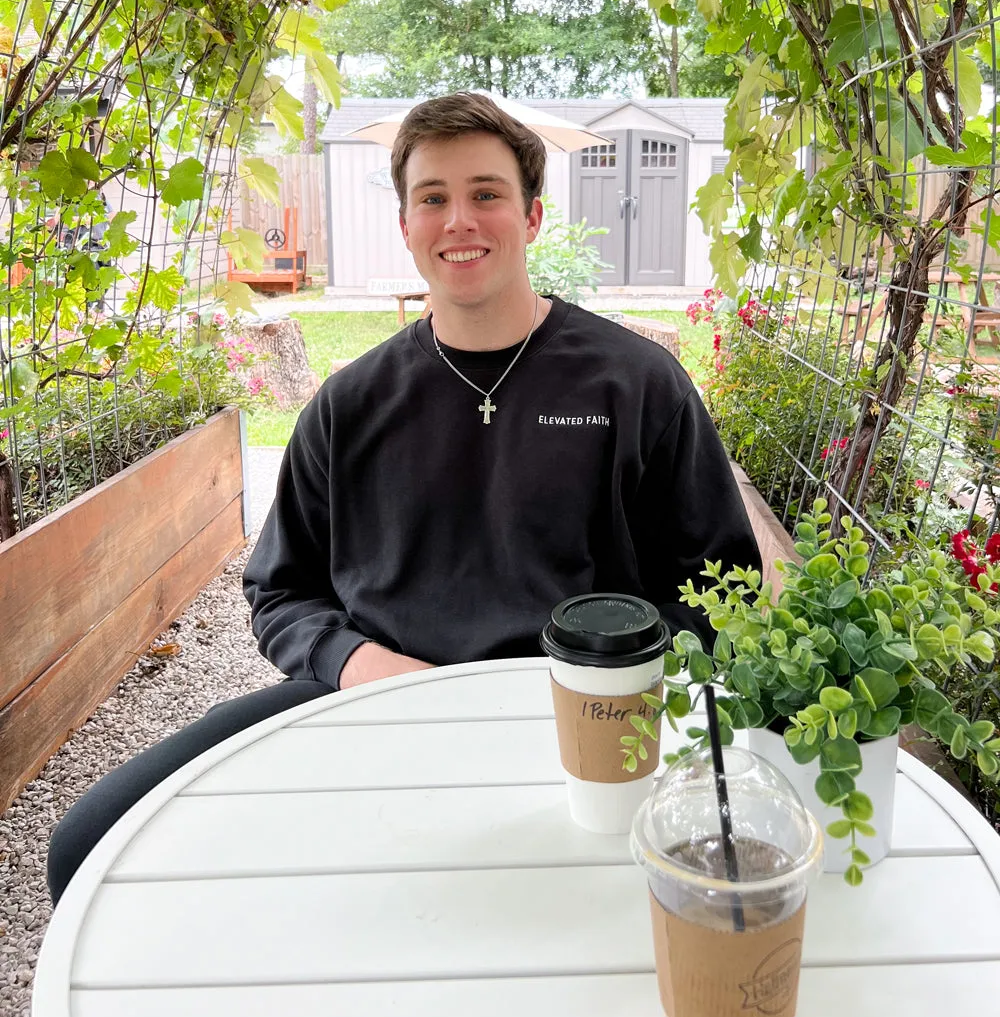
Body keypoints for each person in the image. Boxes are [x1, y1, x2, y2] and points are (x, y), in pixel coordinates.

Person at [46, 92, 760, 905]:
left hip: (584, 719)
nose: (460, 220)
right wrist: (363, 667)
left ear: (530, 216)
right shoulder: (348, 406)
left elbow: (720, 585)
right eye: (434, 199)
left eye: (486, 194)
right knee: (88, 843)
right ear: (406, 225)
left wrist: (608, 684)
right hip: (373, 702)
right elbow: (282, 590)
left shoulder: (635, 385)